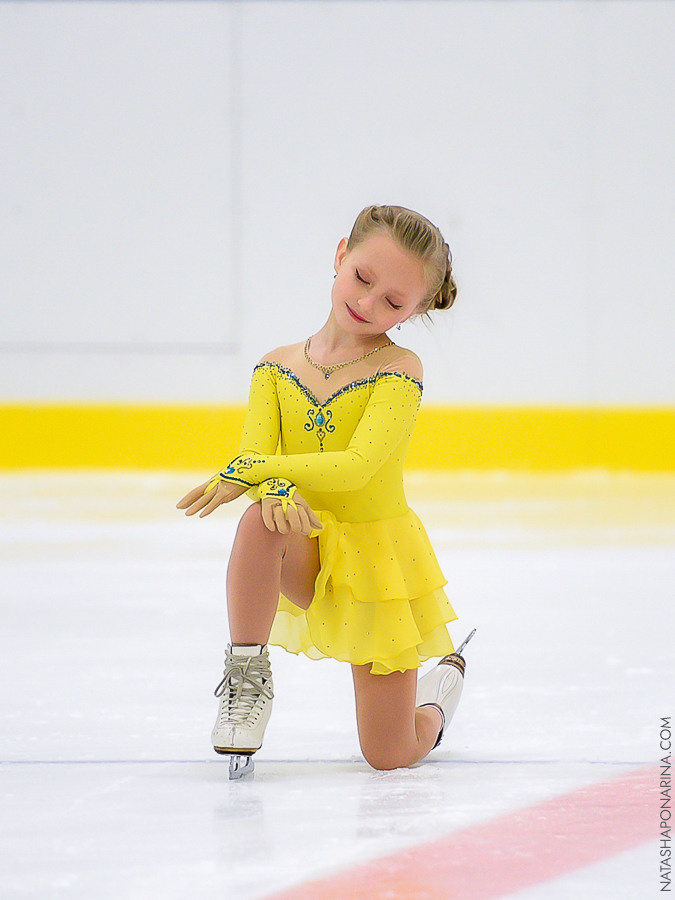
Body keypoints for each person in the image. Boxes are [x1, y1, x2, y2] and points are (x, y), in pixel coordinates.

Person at [177, 204, 473, 773]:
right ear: (341, 255)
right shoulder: (274, 368)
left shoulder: (399, 369)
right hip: (306, 545)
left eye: (393, 301)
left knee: (388, 755)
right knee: (260, 520)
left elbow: (358, 466)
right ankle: (246, 680)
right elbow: (264, 463)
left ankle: (434, 705)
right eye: (363, 278)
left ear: (414, 311)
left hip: (377, 567)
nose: (367, 303)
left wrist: (256, 473)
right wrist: (275, 490)